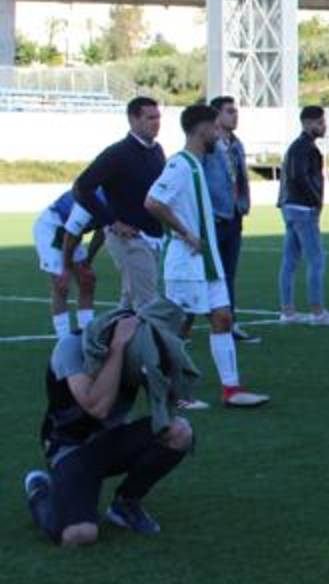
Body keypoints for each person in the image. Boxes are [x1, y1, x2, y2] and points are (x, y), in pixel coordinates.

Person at [22, 315, 193, 546]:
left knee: (179, 431)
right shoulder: (72, 347)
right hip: (70, 449)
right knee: (80, 535)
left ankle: (125, 503)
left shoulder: (140, 350)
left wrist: (169, 380)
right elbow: (97, 407)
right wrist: (118, 348)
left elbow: (181, 402)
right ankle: (39, 492)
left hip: (110, 441)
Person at [144, 104, 270, 409]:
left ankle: (231, 390)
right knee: (178, 328)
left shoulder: (198, 164)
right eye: (215, 127)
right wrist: (186, 233)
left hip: (206, 263)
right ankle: (171, 392)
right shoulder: (181, 165)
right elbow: (153, 202)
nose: (218, 133)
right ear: (203, 129)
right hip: (187, 264)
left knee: (223, 318)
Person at [72, 96, 167, 310]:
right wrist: (111, 222)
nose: (156, 122)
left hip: (152, 237)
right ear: (133, 119)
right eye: (150, 117)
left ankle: (103, 341)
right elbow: (81, 188)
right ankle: (148, 344)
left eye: (158, 117)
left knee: (129, 303)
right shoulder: (117, 153)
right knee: (147, 303)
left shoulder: (157, 151)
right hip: (130, 239)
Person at [278, 105, 329, 326]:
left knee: (289, 261)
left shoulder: (296, 147)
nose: (323, 126)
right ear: (307, 123)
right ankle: (318, 312)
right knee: (316, 260)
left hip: (291, 208)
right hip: (303, 210)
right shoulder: (305, 148)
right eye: (320, 122)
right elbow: (300, 177)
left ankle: (287, 311)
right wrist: (315, 201)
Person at [203, 95, 259, 344]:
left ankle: (229, 323)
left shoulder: (237, 144)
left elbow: (241, 177)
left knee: (228, 275)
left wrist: (244, 204)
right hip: (214, 217)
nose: (235, 115)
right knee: (205, 275)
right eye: (229, 111)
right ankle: (180, 328)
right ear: (216, 116)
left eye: (235, 111)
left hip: (234, 216)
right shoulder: (208, 145)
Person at [33, 190, 107, 338]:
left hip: (72, 232)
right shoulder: (94, 197)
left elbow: (102, 232)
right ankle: (63, 339)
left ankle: (86, 334)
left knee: (87, 282)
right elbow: (70, 234)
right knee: (61, 285)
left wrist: (87, 262)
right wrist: (66, 268)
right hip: (52, 227)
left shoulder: (120, 196)